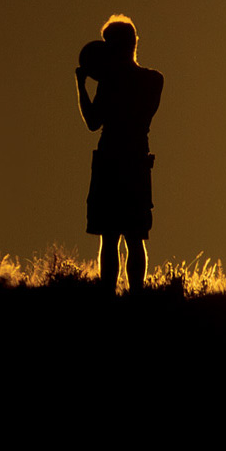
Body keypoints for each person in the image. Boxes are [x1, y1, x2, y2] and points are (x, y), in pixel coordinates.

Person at [76, 15, 163, 295]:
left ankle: (107, 297)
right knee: (135, 237)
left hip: (111, 162)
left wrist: (81, 85)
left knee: (110, 237)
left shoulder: (111, 83)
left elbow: (92, 122)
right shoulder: (153, 80)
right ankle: (136, 296)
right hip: (136, 162)